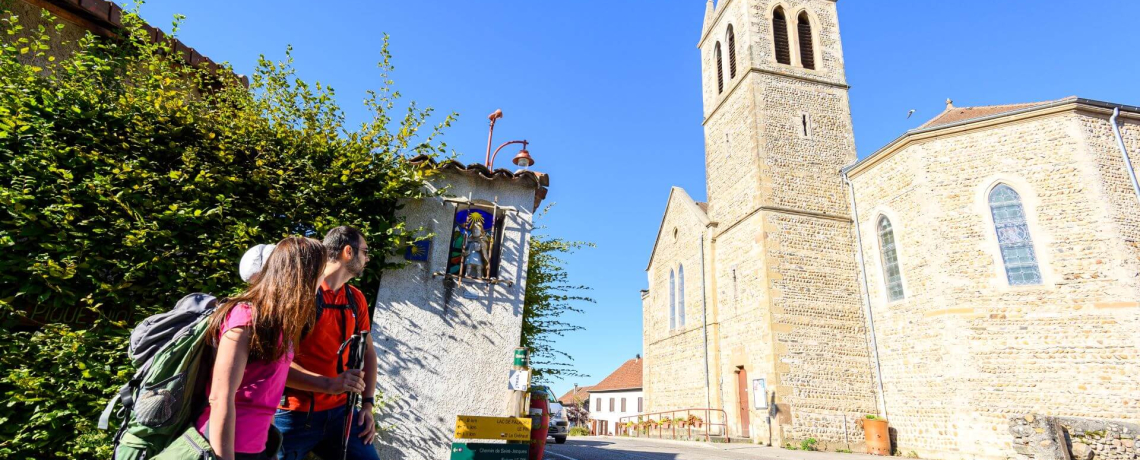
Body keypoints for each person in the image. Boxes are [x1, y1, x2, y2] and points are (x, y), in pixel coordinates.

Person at [198, 237, 327, 460]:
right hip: (227, 447)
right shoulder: (245, 317)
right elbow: (220, 398)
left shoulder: (280, 324)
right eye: (321, 271)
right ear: (303, 276)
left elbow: (266, 391)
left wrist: (271, 448)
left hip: (259, 446)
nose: (323, 278)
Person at [275, 226, 380, 460]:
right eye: (365, 251)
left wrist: (367, 406)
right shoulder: (303, 294)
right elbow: (277, 362)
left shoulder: (356, 298)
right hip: (293, 415)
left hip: (342, 415)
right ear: (348, 252)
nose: (368, 258)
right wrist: (330, 384)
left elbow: (368, 353)